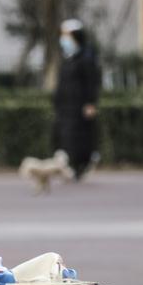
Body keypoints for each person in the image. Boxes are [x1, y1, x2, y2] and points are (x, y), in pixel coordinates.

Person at [53, 18, 101, 180]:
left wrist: (91, 103)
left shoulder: (87, 57)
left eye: (67, 35)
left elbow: (92, 82)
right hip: (66, 107)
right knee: (65, 137)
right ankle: (68, 167)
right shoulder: (68, 57)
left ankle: (81, 166)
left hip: (79, 106)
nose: (64, 39)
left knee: (80, 138)